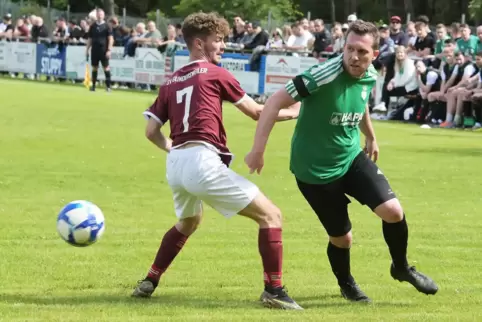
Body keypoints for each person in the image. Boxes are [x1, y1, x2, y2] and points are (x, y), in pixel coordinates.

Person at [245, 20, 438, 302]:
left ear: (374, 53)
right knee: (342, 238)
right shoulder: (322, 74)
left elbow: (360, 105)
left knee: (394, 212)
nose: (354, 56)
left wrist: (371, 137)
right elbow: (274, 101)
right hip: (314, 171)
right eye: (349, 49)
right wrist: (257, 150)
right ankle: (347, 283)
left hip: (350, 157)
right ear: (343, 47)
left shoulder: (370, 73)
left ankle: (401, 267)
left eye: (362, 51)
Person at [132, 12, 302, 310]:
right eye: (219, 40)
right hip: (201, 161)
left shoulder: (171, 81)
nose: (223, 46)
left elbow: (150, 131)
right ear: (199, 44)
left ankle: (150, 279)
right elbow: (257, 112)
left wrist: (173, 149)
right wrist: (296, 112)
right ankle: (273, 290)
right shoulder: (215, 73)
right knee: (271, 216)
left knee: (189, 221)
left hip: (177, 163)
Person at [86, 8, 113, 92]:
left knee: (106, 67)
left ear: (103, 16)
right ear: (96, 15)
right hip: (94, 50)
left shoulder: (107, 26)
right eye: (98, 14)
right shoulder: (93, 26)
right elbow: (90, 38)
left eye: (101, 14)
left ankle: (108, 86)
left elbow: (111, 39)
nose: (99, 16)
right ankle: (93, 86)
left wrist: (109, 50)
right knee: (94, 67)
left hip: (103, 50)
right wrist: (87, 49)